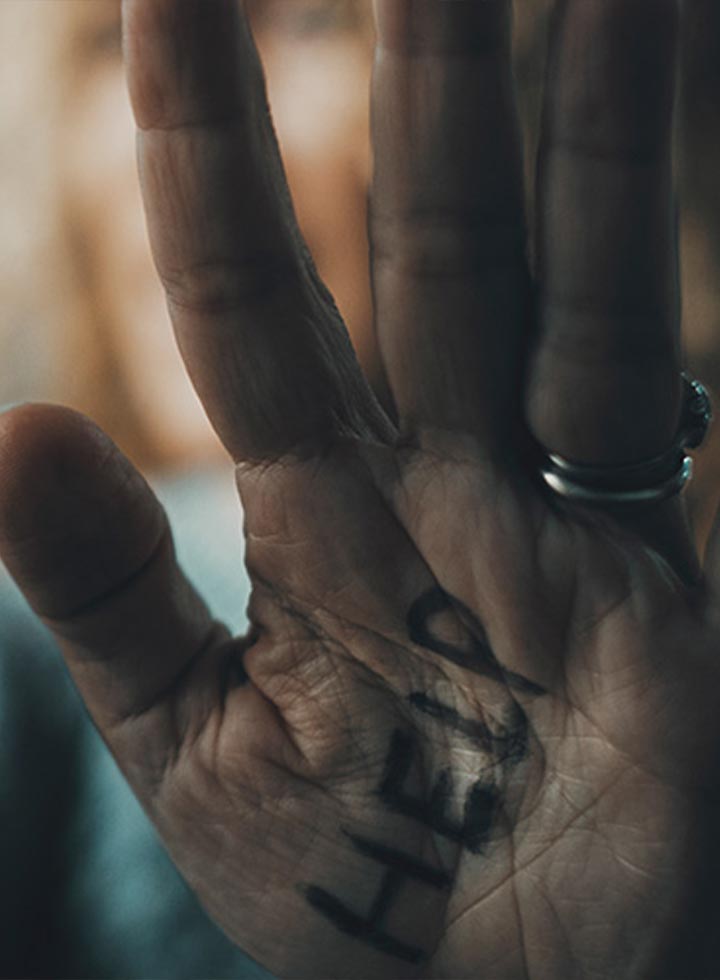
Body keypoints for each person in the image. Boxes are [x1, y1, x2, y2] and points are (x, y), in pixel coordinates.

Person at [3, 1, 720, 979]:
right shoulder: (22, 641)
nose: (205, 111)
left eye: (302, 24)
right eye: (104, 43)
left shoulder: (653, 637)